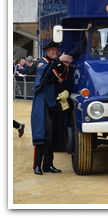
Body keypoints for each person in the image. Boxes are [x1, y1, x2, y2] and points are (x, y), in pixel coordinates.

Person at [30, 41, 72, 175]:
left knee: (51, 135)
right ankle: (37, 165)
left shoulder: (56, 64)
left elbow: (62, 78)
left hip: (53, 103)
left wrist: (64, 65)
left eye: (56, 50)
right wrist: (59, 60)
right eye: (52, 50)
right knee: (41, 135)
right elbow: (46, 71)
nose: (55, 51)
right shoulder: (42, 62)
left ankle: (48, 165)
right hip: (42, 104)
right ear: (47, 52)